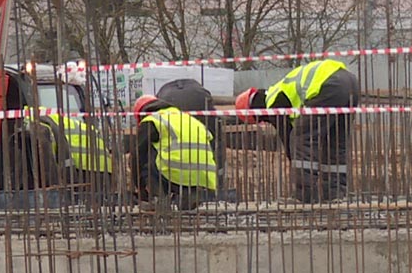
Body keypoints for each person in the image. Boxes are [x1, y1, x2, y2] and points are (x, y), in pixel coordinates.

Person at [235, 58, 360, 203]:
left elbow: (289, 139)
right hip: (350, 83)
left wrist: (297, 163)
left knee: (302, 138)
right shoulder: (279, 89)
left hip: (328, 85)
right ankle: (335, 193)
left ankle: (304, 194)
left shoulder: (272, 103)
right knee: (335, 142)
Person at [130, 94, 218, 210]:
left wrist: (140, 187)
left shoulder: (152, 120)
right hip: (203, 173)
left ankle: (157, 198)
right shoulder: (188, 119)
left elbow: (137, 156)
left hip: (175, 169)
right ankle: (190, 194)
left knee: (147, 156)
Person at [23, 106, 115, 191]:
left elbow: (56, 158)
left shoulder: (32, 121)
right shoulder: (39, 114)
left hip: (87, 166)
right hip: (101, 164)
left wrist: (54, 186)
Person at [156, 78, 226, 180]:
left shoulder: (160, 101)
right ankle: (217, 179)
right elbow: (216, 131)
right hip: (199, 97)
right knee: (214, 140)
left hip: (168, 99)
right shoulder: (199, 93)